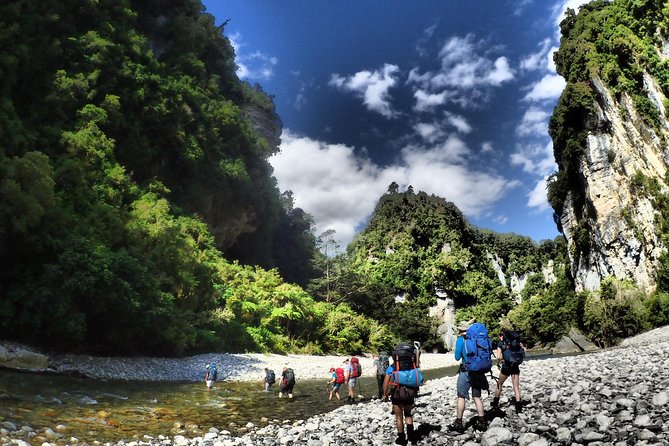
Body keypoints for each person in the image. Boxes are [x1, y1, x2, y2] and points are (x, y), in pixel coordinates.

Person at [449, 320, 488, 433]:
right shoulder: (477, 339)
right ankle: (482, 422)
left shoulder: (460, 340)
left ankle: (459, 423)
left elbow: (457, 357)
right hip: (478, 370)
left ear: (460, 330)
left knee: (461, 396)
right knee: (477, 396)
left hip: (466, 371)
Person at [384, 343, 420, 445]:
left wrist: (385, 394)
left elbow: (385, 383)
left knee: (398, 417)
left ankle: (401, 438)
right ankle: (411, 437)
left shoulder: (392, 367)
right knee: (408, 415)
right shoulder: (412, 366)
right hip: (409, 392)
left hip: (397, 393)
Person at [493, 330, 526, 413]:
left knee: (499, 383)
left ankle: (495, 403)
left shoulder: (501, 344)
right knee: (516, 386)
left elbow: (498, 357)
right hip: (515, 366)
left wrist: (498, 364)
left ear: (501, 336)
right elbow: (524, 351)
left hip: (506, 367)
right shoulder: (516, 343)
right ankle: (518, 406)